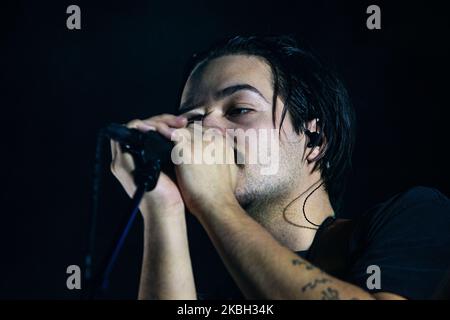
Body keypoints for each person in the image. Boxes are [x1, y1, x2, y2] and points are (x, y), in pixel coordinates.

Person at [110, 35, 450, 300]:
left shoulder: (415, 215)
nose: (204, 130)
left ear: (315, 140)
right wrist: (161, 209)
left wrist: (216, 203)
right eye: (193, 119)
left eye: (239, 109)